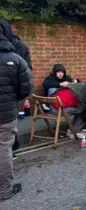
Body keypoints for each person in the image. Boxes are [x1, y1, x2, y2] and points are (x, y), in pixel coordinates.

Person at [0, 26, 33, 200]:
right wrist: (14, 103)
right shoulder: (15, 58)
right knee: (4, 149)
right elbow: (26, 87)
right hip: (5, 113)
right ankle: (4, 190)